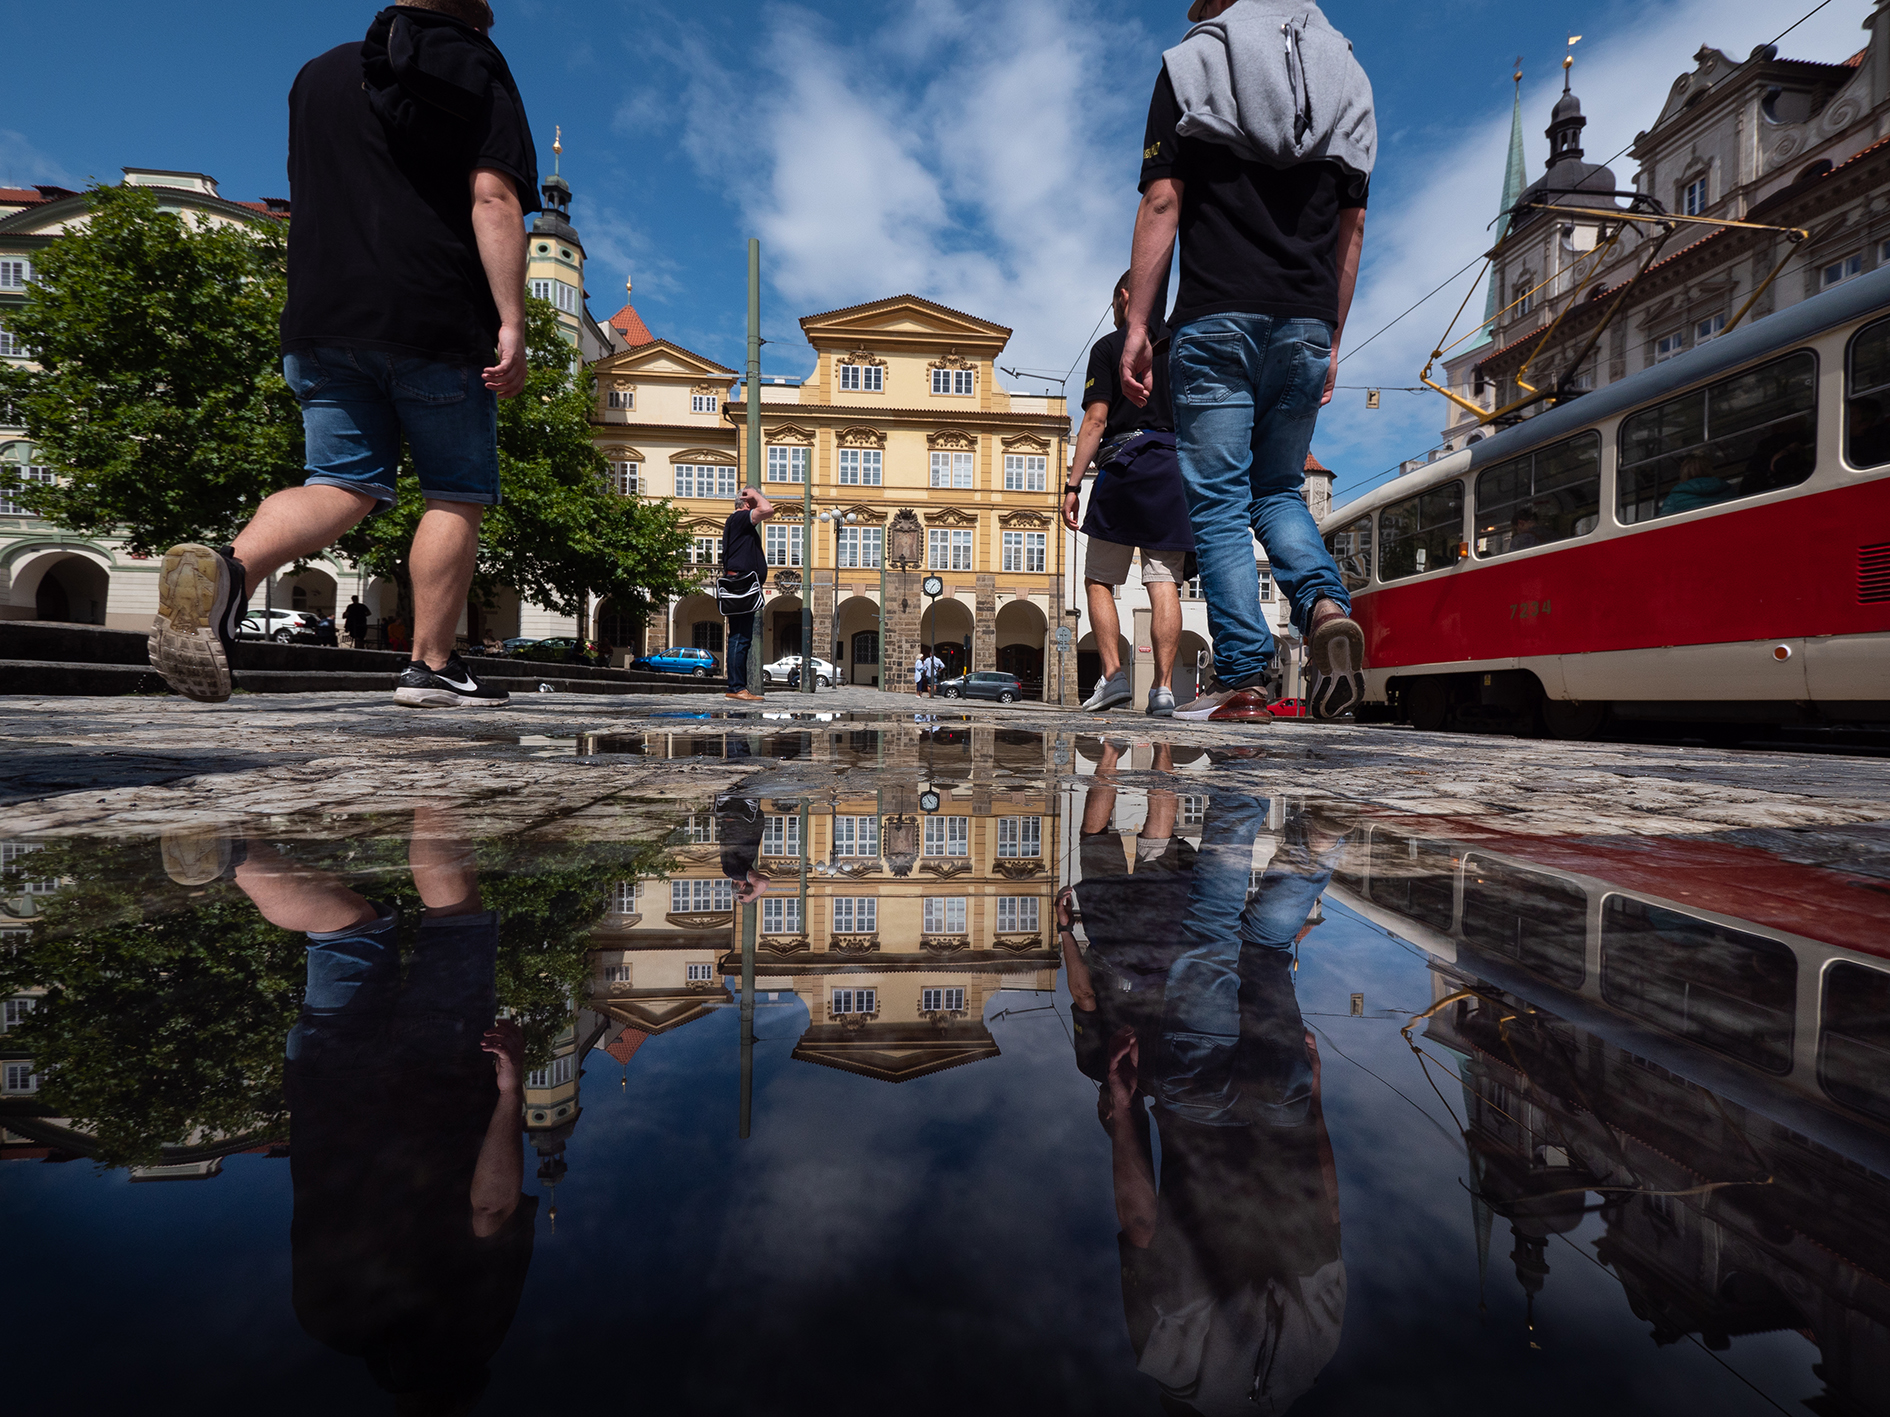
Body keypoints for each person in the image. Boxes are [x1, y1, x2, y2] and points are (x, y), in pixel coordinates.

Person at [148, 0, 537, 711]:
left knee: (339, 482)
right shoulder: (478, 69)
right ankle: (431, 666)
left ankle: (231, 570)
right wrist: (512, 320)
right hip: (433, 313)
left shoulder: (317, 74)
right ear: (476, 18)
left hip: (322, 315)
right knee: (455, 491)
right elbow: (494, 199)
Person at [173, 805, 538, 1414]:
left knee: (454, 919)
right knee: (344, 930)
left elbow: (490, 1209)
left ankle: (435, 781)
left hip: (441, 1082)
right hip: (331, 1092)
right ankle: (231, 849)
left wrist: (510, 1092)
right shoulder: (326, 1323)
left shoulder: (472, 1337)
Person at [1122, 0, 1372, 722]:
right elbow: (1352, 228)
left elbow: (1163, 201)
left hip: (1216, 316)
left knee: (1221, 501)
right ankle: (1325, 608)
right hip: (1305, 320)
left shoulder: (1189, 63)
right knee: (1279, 490)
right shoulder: (1348, 75)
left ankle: (1244, 676)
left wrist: (1139, 323)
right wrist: (1331, 338)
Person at [1082, 791, 1350, 1415]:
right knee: (1210, 932)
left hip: (1281, 1105)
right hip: (1196, 1108)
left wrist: (1313, 1099)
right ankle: (1240, 785)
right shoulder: (1175, 1372)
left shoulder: (1314, 1354)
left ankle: (1318, 846)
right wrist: (1123, 1109)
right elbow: (1143, 1226)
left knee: (1267, 953)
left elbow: (1328, 1208)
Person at [1067, 273, 1196, 719]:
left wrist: (1072, 485)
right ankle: (1163, 690)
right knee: (1164, 582)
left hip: (1123, 466)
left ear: (1124, 297)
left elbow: (1095, 421)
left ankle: (1113, 675)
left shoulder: (1110, 347)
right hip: (1171, 470)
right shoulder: (1182, 346)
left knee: (1099, 579)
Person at [723, 486, 775, 703]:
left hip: (743, 584)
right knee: (740, 637)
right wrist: (755, 496)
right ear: (747, 502)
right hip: (741, 584)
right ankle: (736, 687)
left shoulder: (739, 522)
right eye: (754, 500)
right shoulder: (739, 518)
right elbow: (768, 510)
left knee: (741, 636)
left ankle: (738, 686)